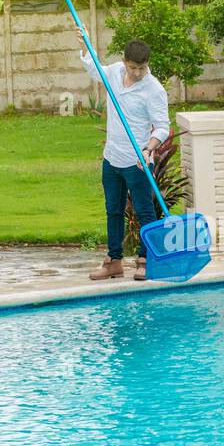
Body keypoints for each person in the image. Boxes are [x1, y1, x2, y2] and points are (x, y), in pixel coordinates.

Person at [75, 30, 171, 281]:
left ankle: (145, 259)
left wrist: (149, 147)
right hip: (112, 157)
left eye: (141, 67)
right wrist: (86, 45)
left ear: (147, 64)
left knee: (144, 211)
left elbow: (162, 126)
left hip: (138, 161)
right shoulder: (116, 73)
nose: (136, 72)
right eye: (132, 67)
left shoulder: (154, 89)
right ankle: (114, 261)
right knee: (113, 210)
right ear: (125, 61)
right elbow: (95, 69)